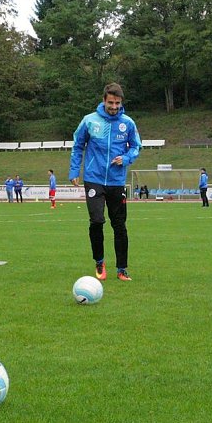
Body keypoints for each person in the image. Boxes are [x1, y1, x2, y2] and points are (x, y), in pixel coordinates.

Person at [69, 82, 142, 281]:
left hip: (117, 181)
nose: (114, 107)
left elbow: (136, 147)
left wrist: (125, 159)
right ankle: (99, 261)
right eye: (111, 102)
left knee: (119, 224)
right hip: (94, 178)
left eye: (117, 103)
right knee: (97, 220)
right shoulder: (89, 121)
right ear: (104, 100)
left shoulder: (128, 123)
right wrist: (75, 170)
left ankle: (122, 268)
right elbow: (78, 145)